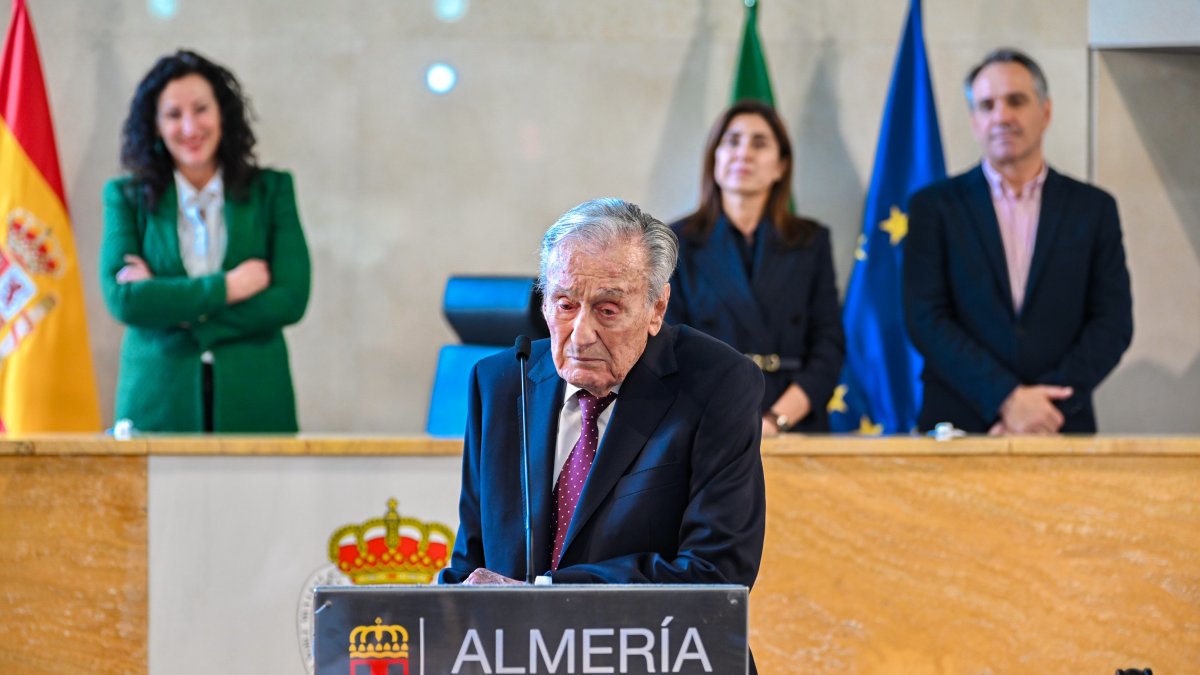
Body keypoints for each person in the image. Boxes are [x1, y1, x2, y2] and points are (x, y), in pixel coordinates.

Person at [439, 198, 766, 592]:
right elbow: (471, 567)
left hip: (660, 648)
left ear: (656, 308)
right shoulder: (503, 383)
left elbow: (717, 571)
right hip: (519, 652)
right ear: (543, 303)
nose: (581, 333)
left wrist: (544, 593)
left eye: (607, 309)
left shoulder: (717, 383)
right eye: (565, 304)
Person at [904, 48, 1133, 434]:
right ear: (974, 121)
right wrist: (1006, 399)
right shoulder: (934, 207)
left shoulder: (1093, 209)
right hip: (962, 426)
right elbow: (926, 318)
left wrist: (1044, 408)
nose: (1002, 116)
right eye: (987, 105)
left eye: (1016, 101)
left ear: (1045, 111)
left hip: (1060, 424)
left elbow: (1112, 323)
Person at [99, 50, 311, 432]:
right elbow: (124, 299)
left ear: (223, 116)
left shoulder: (272, 189)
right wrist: (229, 287)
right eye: (173, 114)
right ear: (156, 126)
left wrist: (171, 302)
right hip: (157, 400)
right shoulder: (125, 197)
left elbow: (290, 298)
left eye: (201, 109)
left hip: (256, 397)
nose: (190, 126)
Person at [666, 100, 845, 435]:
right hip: (707, 421)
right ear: (715, 159)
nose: (744, 153)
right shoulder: (675, 241)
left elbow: (829, 345)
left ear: (780, 166)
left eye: (759, 143)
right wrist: (729, 419)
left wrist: (776, 420)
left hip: (795, 422)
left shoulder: (811, 240)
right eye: (732, 141)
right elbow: (669, 346)